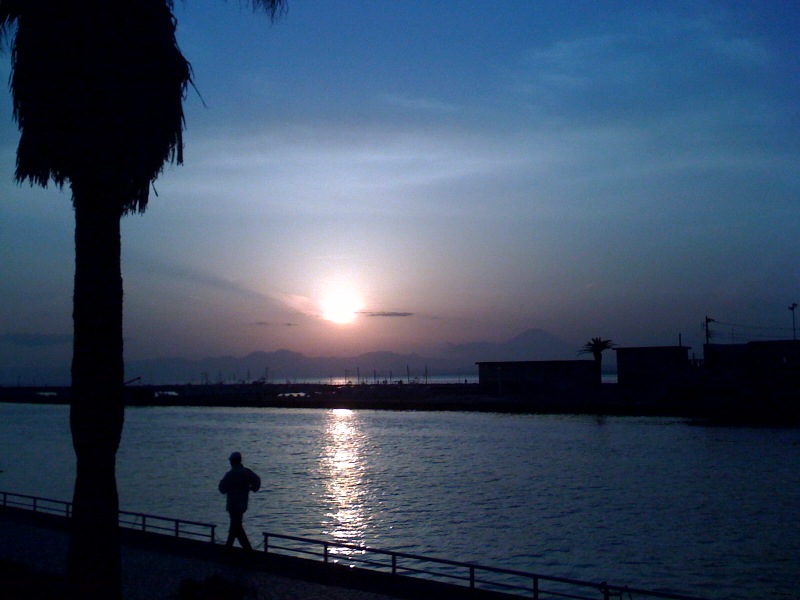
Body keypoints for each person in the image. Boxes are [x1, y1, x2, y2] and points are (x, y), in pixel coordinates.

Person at [218, 451, 261, 551]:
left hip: (232, 505)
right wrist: (252, 488)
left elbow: (221, 488)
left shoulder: (230, 474)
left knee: (235, 526)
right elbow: (257, 480)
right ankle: (241, 549)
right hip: (242, 505)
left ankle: (241, 549)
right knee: (236, 526)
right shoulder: (246, 472)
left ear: (232, 462)